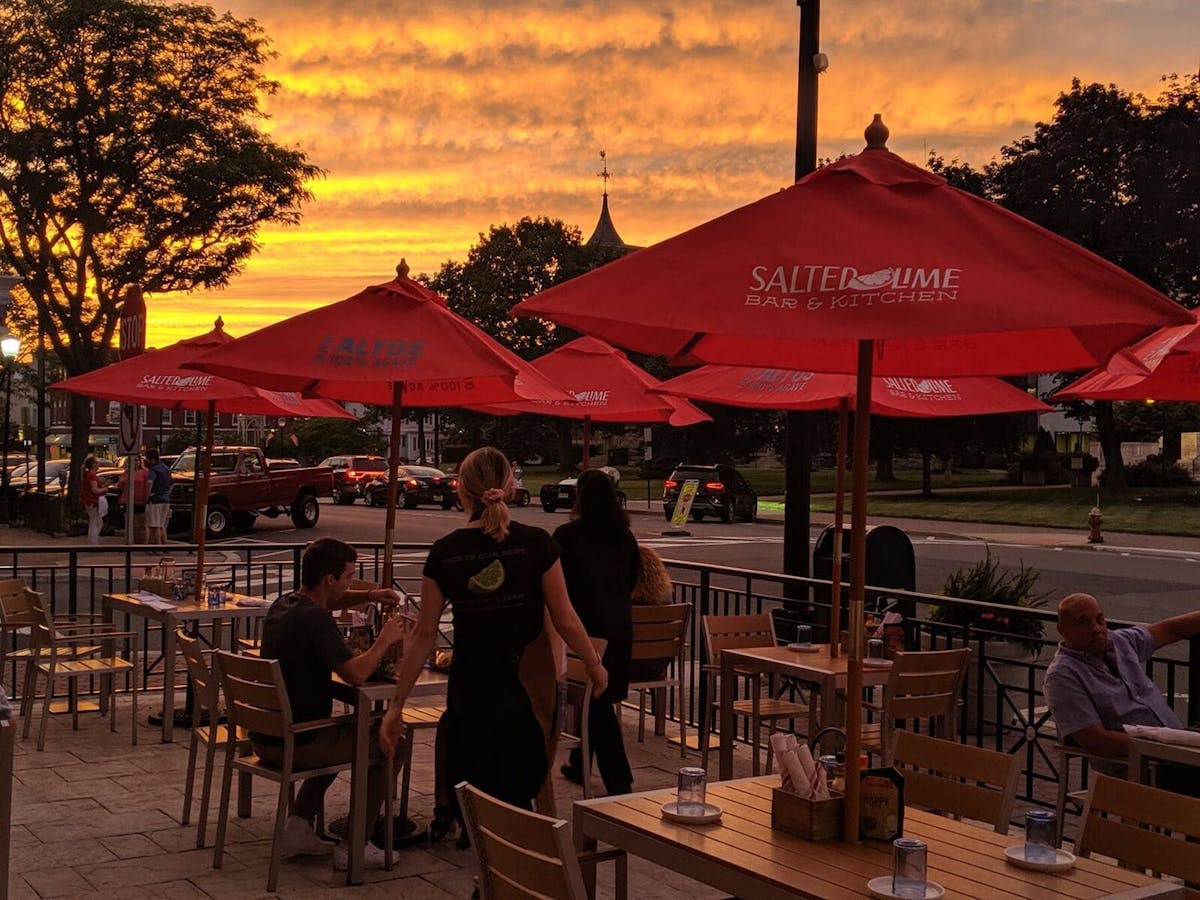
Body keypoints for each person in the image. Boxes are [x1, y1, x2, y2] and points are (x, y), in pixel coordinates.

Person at [380, 447, 607, 820]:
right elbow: (565, 618)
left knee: (479, 796)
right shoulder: (538, 544)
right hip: (529, 689)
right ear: (510, 487)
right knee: (518, 797)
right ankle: (509, 870)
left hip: (471, 690)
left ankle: (488, 871)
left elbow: (423, 635)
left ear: (461, 491)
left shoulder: (444, 553)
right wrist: (595, 665)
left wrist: (397, 706)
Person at [256, 538, 407, 870]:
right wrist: (385, 640)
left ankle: (298, 825)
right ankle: (355, 843)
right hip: (299, 742)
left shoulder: (285, 605)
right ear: (329, 579)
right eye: (349, 576)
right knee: (390, 739)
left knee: (347, 731)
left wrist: (369, 595)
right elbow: (356, 674)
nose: (351, 582)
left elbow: (335, 597)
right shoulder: (315, 620)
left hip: (268, 737)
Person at [1044, 592, 1200, 793]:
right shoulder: (1062, 676)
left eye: (1100, 620)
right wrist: (1162, 747)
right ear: (1062, 630)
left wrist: (1177, 744)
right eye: (1084, 622)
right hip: (1143, 767)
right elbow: (1097, 741)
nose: (1096, 629)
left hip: (1178, 750)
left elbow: (1172, 629)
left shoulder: (1120, 642)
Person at [553, 468, 638, 796]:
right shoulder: (625, 537)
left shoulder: (566, 536)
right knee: (596, 702)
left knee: (595, 704)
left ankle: (620, 780)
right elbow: (631, 581)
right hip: (619, 631)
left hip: (582, 633)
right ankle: (579, 764)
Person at [117, 457, 149, 543]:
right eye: (133, 461)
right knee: (131, 523)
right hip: (128, 500)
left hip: (141, 500)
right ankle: (132, 541)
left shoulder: (144, 472)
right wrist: (124, 480)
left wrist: (147, 498)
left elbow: (148, 485)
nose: (135, 463)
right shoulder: (126, 473)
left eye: (136, 461)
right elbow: (120, 486)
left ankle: (142, 542)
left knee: (141, 523)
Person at [144, 449, 171, 544]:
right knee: (162, 524)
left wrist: (147, 496)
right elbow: (170, 483)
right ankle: (165, 545)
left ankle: (157, 546)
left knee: (154, 525)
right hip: (165, 498)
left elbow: (150, 482)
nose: (146, 461)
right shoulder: (166, 468)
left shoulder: (153, 469)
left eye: (146, 458)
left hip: (155, 499)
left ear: (151, 459)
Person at [81, 456, 106, 545]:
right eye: (97, 463)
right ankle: (93, 542)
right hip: (93, 501)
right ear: (93, 464)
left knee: (95, 521)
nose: (98, 464)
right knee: (96, 522)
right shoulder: (92, 476)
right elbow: (95, 490)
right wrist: (104, 489)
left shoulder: (87, 474)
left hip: (89, 501)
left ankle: (93, 541)